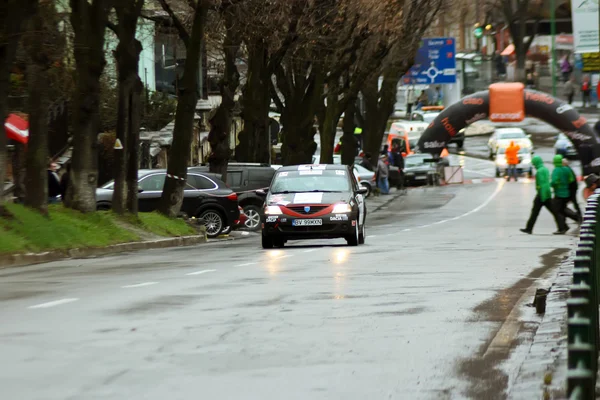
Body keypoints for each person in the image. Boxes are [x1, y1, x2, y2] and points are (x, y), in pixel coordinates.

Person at [521, 156, 568, 235]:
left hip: (542, 194)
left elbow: (542, 184)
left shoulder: (539, 171)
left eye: (534, 163)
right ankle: (563, 227)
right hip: (546, 193)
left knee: (537, 212)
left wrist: (542, 196)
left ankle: (562, 227)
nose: (533, 165)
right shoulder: (544, 169)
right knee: (552, 211)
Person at [551, 154, 579, 226]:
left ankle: (563, 226)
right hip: (566, 192)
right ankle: (576, 217)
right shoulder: (566, 169)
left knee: (556, 210)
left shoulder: (556, 170)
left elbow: (554, 181)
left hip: (559, 193)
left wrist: (553, 185)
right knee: (562, 208)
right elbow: (571, 179)